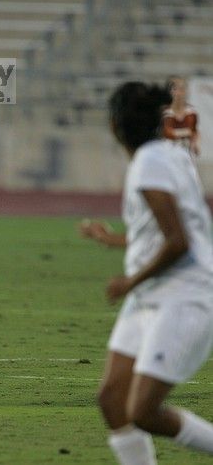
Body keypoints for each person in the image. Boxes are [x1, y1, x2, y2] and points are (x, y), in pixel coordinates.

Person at [80, 82, 213, 464]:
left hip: (182, 294)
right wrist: (113, 241)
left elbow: (178, 242)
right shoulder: (167, 154)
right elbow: (163, 232)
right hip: (154, 292)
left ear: (115, 126)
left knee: (143, 412)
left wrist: (128, 282)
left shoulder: (150, 163)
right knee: (112, 400)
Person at [162, 76, 200, 156]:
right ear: (169, 91)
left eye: (182, 89)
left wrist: (195, 143)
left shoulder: (191, 111)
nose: (179, 93)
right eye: (175, 89)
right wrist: (187, 132)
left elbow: (194, 131)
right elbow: (167, 133)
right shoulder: (164, 112)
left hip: (186, 155)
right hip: (168, 155)